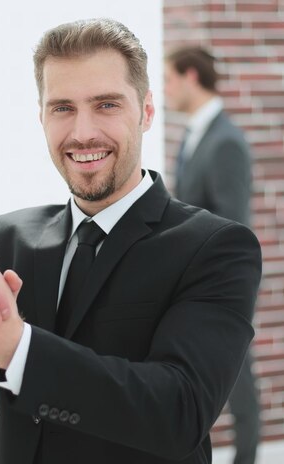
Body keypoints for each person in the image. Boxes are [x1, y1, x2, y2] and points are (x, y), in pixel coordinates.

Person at [0, 18, 262, 464]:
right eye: (62, 108)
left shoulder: (217, 247)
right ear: (41, 117)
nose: (83, 132)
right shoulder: (10, 235)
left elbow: (180, 412)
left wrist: (16, 348)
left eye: (106, 105)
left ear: (147, 112)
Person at [165, 46, 260, 464]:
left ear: (190, 77)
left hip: (218, 285)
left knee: (238, 378)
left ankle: (247, 458)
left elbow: (233, 225)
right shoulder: (194, 132)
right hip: (193, 280)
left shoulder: (225, 141)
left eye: (167, 80)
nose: (165, 91)